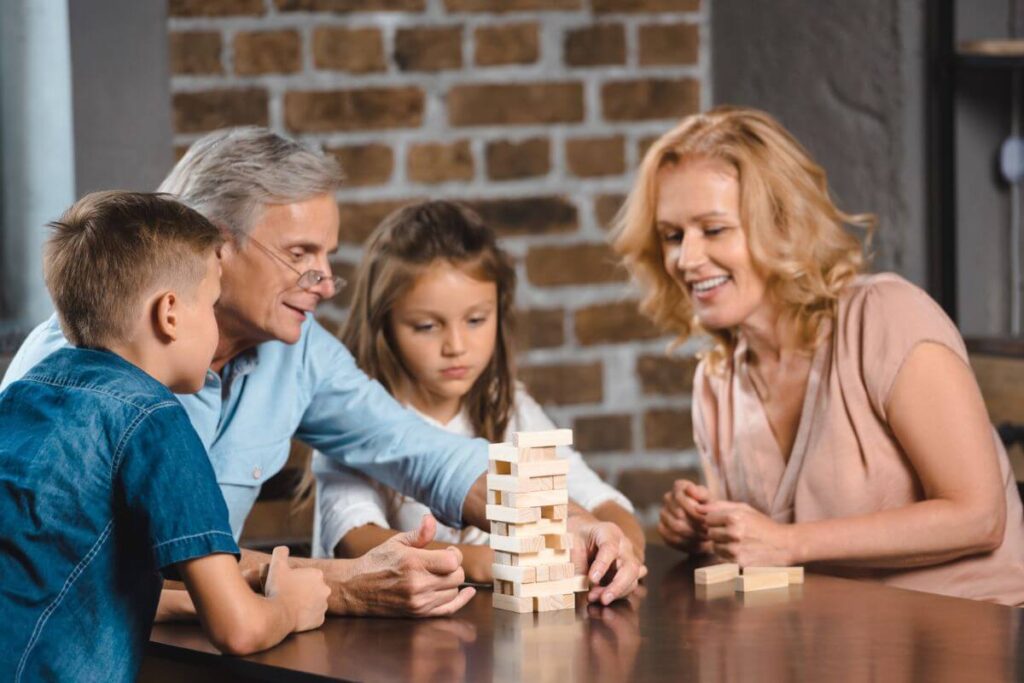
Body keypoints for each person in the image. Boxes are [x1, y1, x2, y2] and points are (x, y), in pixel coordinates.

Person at [2, 127, 642, 615]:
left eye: (328, 256)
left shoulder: (299, 350)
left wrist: (566, 520)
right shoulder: (80, 358)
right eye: (301, 255)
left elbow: (421, 451)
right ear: (214, 246)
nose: (326, 283)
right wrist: (341, 586)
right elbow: (126, 568)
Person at [613, 106, 1024, 605]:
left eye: (714, 229)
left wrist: (788, 543)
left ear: (782, 225)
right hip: (830, 646)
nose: (687, 258)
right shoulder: (716, 382)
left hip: (975, 641)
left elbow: (980, 517)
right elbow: (759, 553)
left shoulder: (886, 318)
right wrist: (706, 530)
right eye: (673, 236)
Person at [0, 192, 330, 682]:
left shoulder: (22, 394)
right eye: (214, 306)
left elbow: (64, 584)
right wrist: (291, 607)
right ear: (170, 313)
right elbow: (237, 629)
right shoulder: (155, 420)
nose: (218, 330)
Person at [309, 201, 645, 583]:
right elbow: (354, 540)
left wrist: (621, 549)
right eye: (425, 326)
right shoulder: (350, 418)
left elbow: (598, 500)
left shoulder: (510, 405)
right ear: (383, 325)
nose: (456, 345)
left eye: (475, 320)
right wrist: (490, 561)